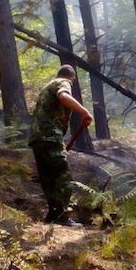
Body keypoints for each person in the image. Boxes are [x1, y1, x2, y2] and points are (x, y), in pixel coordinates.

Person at [29, 64, 93, 226]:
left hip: (37, 138)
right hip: (50, 136)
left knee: (48, 177)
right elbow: (63, 96)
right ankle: (63, 216)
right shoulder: (62, 83)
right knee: (63, 175)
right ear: (72, 79)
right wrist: (84, 111)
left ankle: (52, 215)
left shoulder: (47, 87)